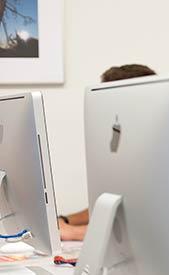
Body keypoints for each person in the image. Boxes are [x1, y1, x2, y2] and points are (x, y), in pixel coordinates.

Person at [57, 64, 156, 241]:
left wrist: (71, 232)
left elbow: (144, 226)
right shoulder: (121, 142)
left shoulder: (161, 151)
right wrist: (66, 220)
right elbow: (113, 205)